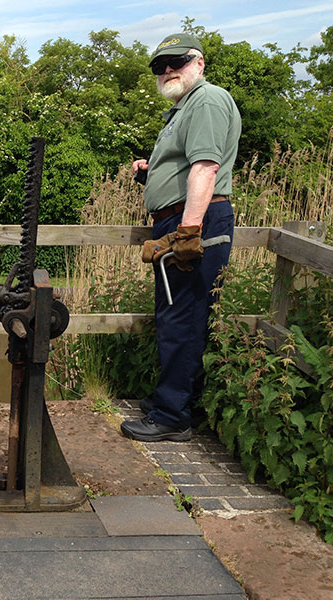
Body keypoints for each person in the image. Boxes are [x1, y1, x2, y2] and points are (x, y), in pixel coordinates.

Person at [120, 32, 241, 442]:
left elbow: (205, 168)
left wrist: (188, 232)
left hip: (195, 224)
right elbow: (184, 168)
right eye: (160, 65)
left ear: (199, 62)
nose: (168, 70)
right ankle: (169, 400)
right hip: (180, 221)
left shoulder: (206, 100)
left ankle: (172, 416)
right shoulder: (183, 108)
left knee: (183, 318)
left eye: (177, 61)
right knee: (175, 314)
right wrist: (150, 172)